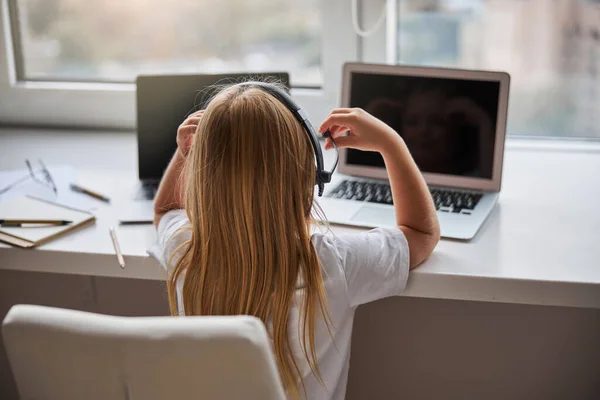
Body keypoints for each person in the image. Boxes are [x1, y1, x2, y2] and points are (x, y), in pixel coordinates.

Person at [150, 82, 440, 400]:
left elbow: (166, 209)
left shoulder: (184, 252)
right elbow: (422, 233)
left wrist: (183, 153)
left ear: (201, 177)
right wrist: (391, 144)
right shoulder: (333, 265)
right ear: (309, 177)